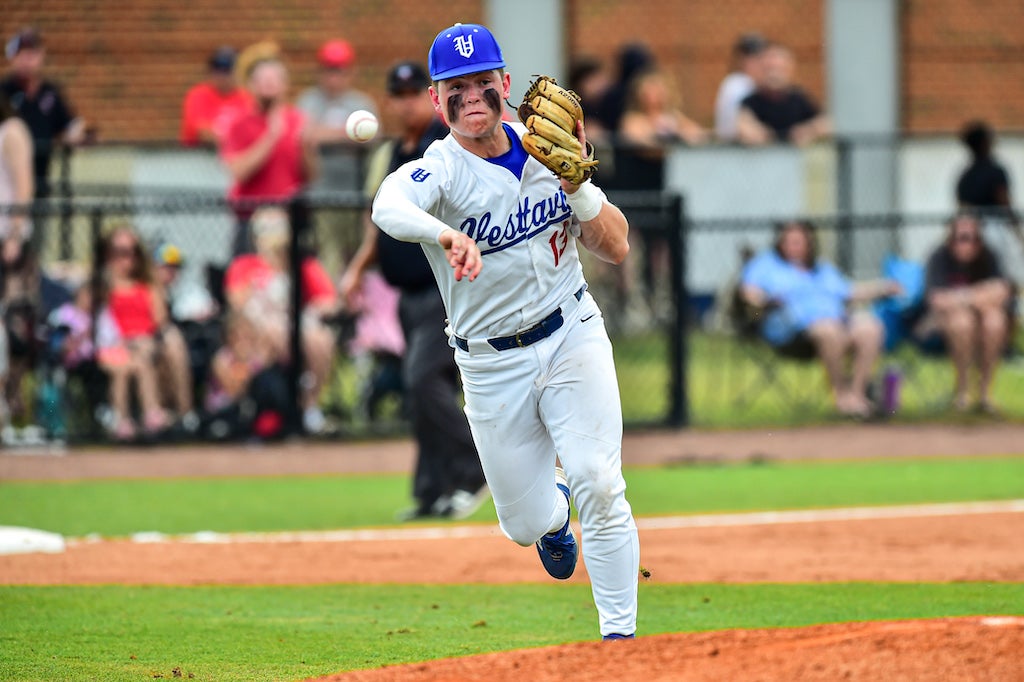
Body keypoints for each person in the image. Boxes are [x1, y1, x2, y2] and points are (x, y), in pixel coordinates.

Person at [371, 22, 639, 640]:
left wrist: (578, 184)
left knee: (601, 480)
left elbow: (617, 247)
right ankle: (551, 516)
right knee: (522, 525)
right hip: (491, 365)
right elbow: (387, 204)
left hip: (571, 330)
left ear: (506, 85)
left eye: (483, 82)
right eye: (455, 86)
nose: (472, 96)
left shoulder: (549, 151)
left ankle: (621, 644)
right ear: (437, 101)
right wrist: (442, 232)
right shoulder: (439, 169)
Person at [340, 60, 487, 522]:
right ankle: (431, 490)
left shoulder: (442, 150)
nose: (405, 103)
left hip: (442, 291)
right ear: (389, 101)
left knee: (422, 381)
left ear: (427, 98)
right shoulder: (388, 155)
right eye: (396, 95)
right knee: (425, 389)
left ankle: (476, 468)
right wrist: (358, 269)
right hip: (406, 294)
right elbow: (377, 223)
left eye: (411, 94)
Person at [740, 220, 899, 418]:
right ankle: (841, 396)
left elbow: (849, 292)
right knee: (828, 329)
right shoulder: (765, 265)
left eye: (800, 242)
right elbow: (749, 294)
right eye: (789, 241)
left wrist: (883, 288)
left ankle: (857, 396)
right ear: (780, 243)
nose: (795, 246)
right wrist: (763, 300)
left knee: (870, 327)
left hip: (837, 320)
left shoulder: (822, 268)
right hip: (794, 331)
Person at [223, 206, 339, 434]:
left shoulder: (301, 264)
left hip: (296, 327)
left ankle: (309, 406)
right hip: (257, 329)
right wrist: (267, 271)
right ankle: (291, 398)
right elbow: (236, 304)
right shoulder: (245, 265)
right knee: (276, 332)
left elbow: (330, 302)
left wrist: (285, 265)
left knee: (322, 340)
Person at [220, 41, 318, 256]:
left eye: (275, 80)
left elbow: (310, 176)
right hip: (250, 221)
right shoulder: (238, 121)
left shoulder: (297, 120)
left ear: (285, 84)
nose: (270, 86)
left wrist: (307, 148)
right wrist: (271, 136)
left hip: (290, 221)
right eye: (264, 80)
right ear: (252, 85)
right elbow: (238, 171)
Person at [96, 227, 193, 440]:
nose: (127, 259)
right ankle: (125, 419)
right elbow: (100, 327)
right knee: (130, 362)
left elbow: (160, 321)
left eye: (133, 252)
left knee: (150, 351)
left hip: (145, 341)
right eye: (120, 253)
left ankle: (176, 414)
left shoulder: (148, 286)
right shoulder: (102, 287)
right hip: (114, 345)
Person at [916, 212, 1012, 413]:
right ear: (951, 239)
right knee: (962, 321)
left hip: (983, 321)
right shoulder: (939, 257)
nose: (969, 244)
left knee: (994, 321)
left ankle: (985, 395)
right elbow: (937, 300)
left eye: (974, 238)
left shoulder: (988, 256)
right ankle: (963, 392)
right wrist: (977, 297)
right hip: (942, 325)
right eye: (963, 238)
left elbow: (1002, 290)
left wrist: (961, 297)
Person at [1, 27, 87, 201]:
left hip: (40, 179)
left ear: (41, 56)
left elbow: (69, 123)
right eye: (22, 55)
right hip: (7, 182)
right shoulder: (4, 91)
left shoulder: (49, 92)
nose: (27, 60)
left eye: (32, 54)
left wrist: (76, 132)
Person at [297, 38, 378, 192]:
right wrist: (349, 133)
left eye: (339, 70)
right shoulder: (308, 100)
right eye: (329, 70)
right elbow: (304, 135)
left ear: (350, 72)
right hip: (317, 188)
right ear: (320, 71)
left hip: (355, 187)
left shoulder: (361, 103)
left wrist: (323, 134)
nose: (333, 77)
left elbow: (373, 137)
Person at [0, 89, 35, 432]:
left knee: (15, 327)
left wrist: (14, 233)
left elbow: (23, 185)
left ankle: (13, 402)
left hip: (8, 243)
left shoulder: (11, 129)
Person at [955, 121, 1023, 284]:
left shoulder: (965, 175)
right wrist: (1017, 231)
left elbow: (962, 207)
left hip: (972, 228)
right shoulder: (995, 171)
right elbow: (1004, 202)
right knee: (1004, 269)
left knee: (979, 272)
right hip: (995, 227)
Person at [735, 42, 830, 147]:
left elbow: (825, 123)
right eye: (769, 69)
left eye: (778, 69)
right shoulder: (751, 102)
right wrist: (756, 133)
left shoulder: (799, 99)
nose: (773, 75)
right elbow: (743, 123)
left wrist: (808, 130)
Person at [180, 46, 251, 147]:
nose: (221, 75)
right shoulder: (199, 95)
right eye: (217, 69)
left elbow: (253, 132)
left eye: (227, 70)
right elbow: (204, 133)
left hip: (237, 157)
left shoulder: (246, 97)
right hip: (198, 156)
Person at [714, 32, 768, 142]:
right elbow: (739, 126)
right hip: (735, 147)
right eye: (757, 59)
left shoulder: (736, 81)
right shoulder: (738, 84)